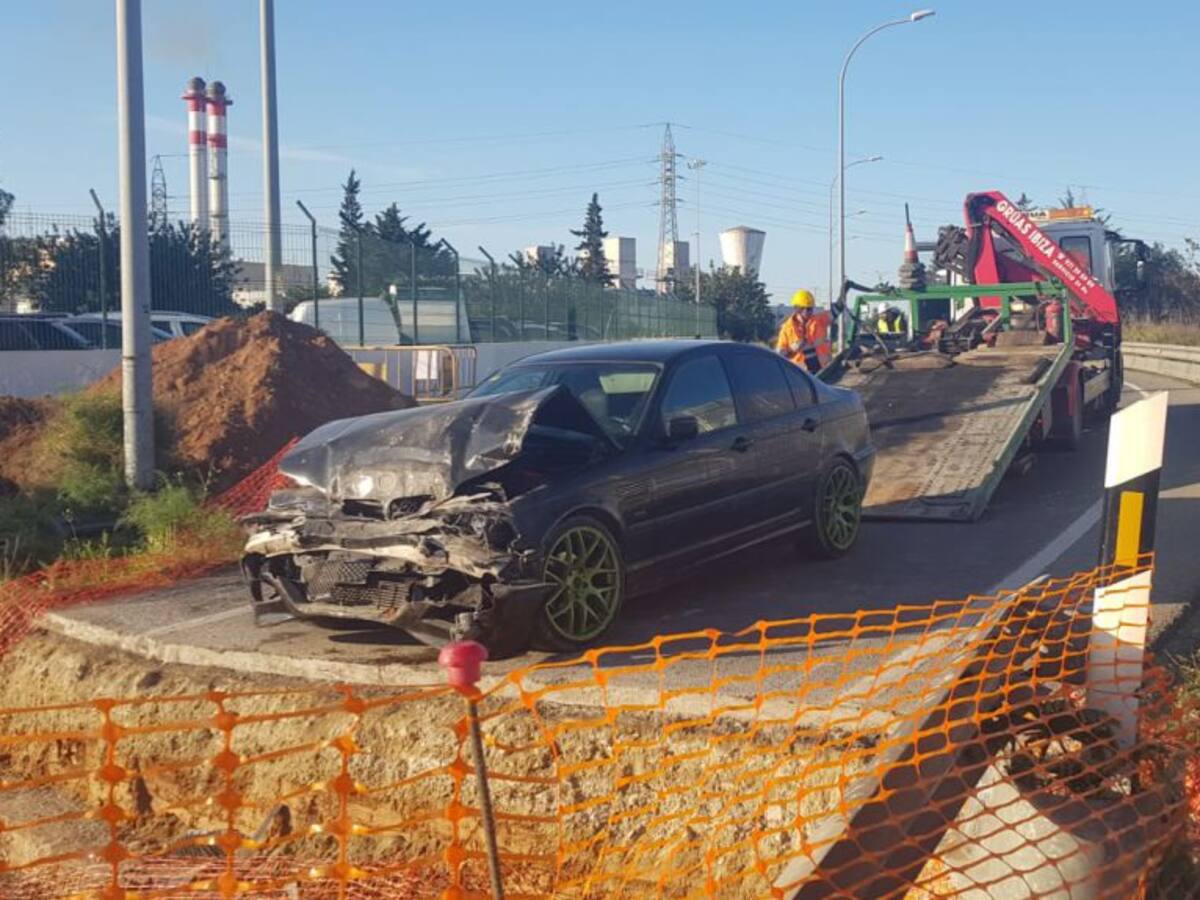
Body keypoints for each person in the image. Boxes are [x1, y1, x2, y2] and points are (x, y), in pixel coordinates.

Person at [777, 289, 832, 374]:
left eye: (810, 309)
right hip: (799, 374)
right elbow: (779, 355)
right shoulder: (787, 329)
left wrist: (843, 294)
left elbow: (834, 312)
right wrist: (792, 349)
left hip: (823, 372)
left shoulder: (818, 320)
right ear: (797, 309)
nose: (809, 312)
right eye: (806, 309)